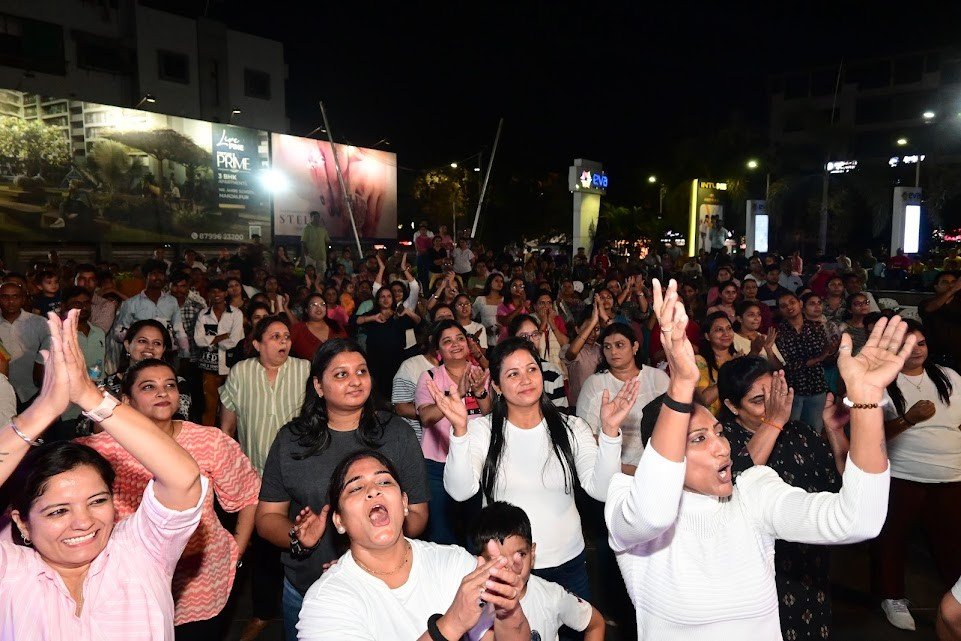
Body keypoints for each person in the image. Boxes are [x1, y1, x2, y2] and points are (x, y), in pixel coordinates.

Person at [605, 278, 909, 640]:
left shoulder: (752, 488)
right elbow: (654, 513)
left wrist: (867, 401)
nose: (721, 447)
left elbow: (859, 520)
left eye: (718, 432)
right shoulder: (627, 499)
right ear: (663, 453)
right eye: (699, 439)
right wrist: (683, 383)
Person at [2, 310, 205, 640]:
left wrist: (90, 396)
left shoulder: (140, 552)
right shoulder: (10, 572)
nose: (83, 522)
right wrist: (43, 410)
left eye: (97, 501)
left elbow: (183, 479)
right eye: (58, 510)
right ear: (22, 523)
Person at [437, 336, 637, 600]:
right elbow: (460, 491)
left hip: (568, 564)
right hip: (506, 566)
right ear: (495, 384)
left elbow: (601, 490)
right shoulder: (482, 430)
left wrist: (610, 433)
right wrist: (460, 432)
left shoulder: (572, 428)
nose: (526, 379)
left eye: (532, 369)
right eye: (513, 374)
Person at [256, 339, 430, 640]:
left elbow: (417, 514)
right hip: (306, 587)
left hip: (384, 591)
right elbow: (267, 516)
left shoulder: (397, 433)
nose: (355, 381)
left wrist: (367, 552)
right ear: (319, 386)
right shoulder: (292, 439)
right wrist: (298, 537)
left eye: (361, 371)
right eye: (341, 374)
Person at [78, 357, 261, 639]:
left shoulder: (209, 441)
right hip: (131, 582)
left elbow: (248, 493)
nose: (163, 392)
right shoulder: (100, 449)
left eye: (170, 385)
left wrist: (237, 549)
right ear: (126, 400)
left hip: (200, 579)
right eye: (149, 387)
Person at [296, 450, 531, 640]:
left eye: (384, 481)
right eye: (356, 487)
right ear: (339, 520)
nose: (373, 490)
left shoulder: (453, 563)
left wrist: (507, 610)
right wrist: (451, 624)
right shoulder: (326, 600)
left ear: (404, 503)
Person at [717, 357, 850, 640]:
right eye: (758, 400)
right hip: (756, 567)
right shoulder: (722, 441)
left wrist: (835, 431)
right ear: (732, 406)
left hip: (809, 562)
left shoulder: (800, 431)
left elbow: (843, 484)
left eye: (777, 395)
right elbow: (736, 484)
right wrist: (774, 421)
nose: (775, 406)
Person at [872, 320, 961, 631]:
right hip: (905, 473)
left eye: (921, 344)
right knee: (893, 538)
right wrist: (909, 419)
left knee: (950, 540)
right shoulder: (884, 382)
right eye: (908, 346)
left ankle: (957, 600)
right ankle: (892, 596)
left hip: (951, 473)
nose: (917, 351)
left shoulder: (949, 378)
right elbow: (873, 435)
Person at [470, 502, 606, 641]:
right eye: (498, 560)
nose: (510, 568)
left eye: (521, 554)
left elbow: (596, 624)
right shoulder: (470, 602)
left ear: (532, 552)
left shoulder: (551, 596)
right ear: (480, 562)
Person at [415, 320, 491, 544]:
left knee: (476, 531)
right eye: (447, 341)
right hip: (437, 465)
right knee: (441, 532)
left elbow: (488, 413)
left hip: (474, 462)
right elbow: (426, 417)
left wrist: (479, 392)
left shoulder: (480, 374)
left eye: (459, 338)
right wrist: (457, 393)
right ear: (438, 351)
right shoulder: (429, 377)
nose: (455, 344)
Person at [577, 322, 669, 473]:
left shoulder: (657, 378)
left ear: (635, 347)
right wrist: (623, 469)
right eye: (607, 346)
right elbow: (587, 437)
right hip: (613, 469)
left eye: (619, 345)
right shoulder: (595, 383)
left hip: (656, 467)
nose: (613, 351)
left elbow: (673, 425)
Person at [776, 292, 833, 431]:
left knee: (815, 431)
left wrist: (830, 350)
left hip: (816, 386)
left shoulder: (817, 328)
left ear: (800, 304)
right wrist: (818, 359)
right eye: (783, 306)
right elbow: (788, 366)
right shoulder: (780, 333)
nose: (789, 307)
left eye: (792, 302)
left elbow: (826, 355)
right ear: (780, 311)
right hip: (792, 390)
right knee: (792, 433)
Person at [113, 260, 190, 361]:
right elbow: (118, 332)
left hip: (166, 353)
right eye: (153, 274)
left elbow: (179, 329)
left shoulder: (172, 301)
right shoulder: (131, 303)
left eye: (161, 274)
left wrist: (185, 354)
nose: (158, 277)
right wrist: (138, 338)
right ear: (146, 277)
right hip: (141, 353)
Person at [192, 279, 244, 426]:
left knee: (229, 407)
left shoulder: (236, 314)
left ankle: (227, 438)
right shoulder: (203, 314)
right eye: (213, 291)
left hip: (230, 366)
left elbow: (234, 341)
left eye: (220, 290)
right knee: (209, 407)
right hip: (209, 366)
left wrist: (210, 341)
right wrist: (222, 336)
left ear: (226, 293)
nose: (217, 294)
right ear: (208, 294)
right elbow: (198, 340)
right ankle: (208, 440)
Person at [355, 287, 419, 393]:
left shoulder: (399, 315)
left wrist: (408, 312)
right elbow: (354, 320)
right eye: (382, 296)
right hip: (376, 362)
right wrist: (372, 318)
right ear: (378, 299)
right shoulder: (372, 315)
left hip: (396, 361)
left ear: (393, 299)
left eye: (389, 296)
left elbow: (420, 324)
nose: (386, 299)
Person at [0, 280, 50, 407]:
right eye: (5, 297)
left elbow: (49, 349)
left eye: (15, 297)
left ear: (23, 299)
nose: (10, 301)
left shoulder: (39, 322)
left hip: (33, 391)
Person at [506, 315, 569, 408]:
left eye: (535, 334)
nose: (530, 340)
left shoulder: (552, 371)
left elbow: (561, 411)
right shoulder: (507, 372)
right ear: (512, 340)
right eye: (524, 336)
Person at [694, 311, 742, 415]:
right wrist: (730, 369)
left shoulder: (739, 358)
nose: (726, 333)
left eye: (729, 328)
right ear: (707, 336)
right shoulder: (700, 361)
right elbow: (706, 399)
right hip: (712, 422)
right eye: (719, 330)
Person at [919, 270, 961, 371]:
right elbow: (929, 309)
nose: (950, 286)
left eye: (953, 282)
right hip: (935, 357)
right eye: (945, 282)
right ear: (936, 286)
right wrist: (954, 289)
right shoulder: (927, 303)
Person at [564, 305, 603, 408]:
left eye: (597, 329)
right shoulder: (570, 348)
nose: (593, 334)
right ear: (577, 329)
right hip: (579, 405)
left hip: (599, 404)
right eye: (588, 328)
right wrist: (593, 322)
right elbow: (571, 353)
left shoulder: (601, 349)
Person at [289, 292, 347, 361]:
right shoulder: (297, 329)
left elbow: (347, 347)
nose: (318, 308)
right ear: (306, 310)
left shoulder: (335, 325)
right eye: (314, 305)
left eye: (322, 305)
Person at [733, 300, 782, 366]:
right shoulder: (732, 339)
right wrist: (754, 351)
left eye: (758, 314)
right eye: (751, 315)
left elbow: (780, 369)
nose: (757, 318)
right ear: (739, 319)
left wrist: (769, 350)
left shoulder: (766, 338)